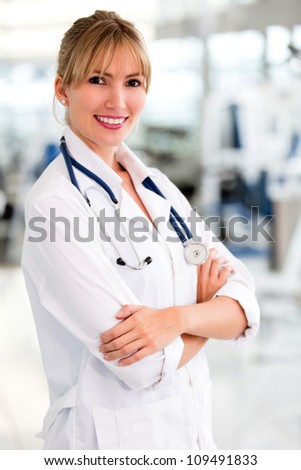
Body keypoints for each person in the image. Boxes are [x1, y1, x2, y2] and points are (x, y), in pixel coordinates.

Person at [21, 10, 260, 450]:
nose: (117, 101)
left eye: (132, 82)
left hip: (190, 433)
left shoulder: (158, 187)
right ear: (62, 88)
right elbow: (140, 366)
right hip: (107, 445)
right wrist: (208, 312)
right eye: (97, 80)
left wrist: (176, 319)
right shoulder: (54, 207)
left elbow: (245, 303)